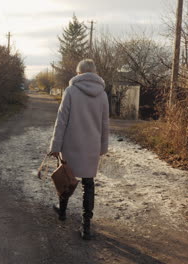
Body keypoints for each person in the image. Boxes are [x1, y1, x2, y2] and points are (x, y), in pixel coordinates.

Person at [49, 59, 109, 240]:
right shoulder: (102, 94)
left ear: (78, 73)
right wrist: (103, 147)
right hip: (91, 146)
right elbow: (105, 123)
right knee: (88, 184)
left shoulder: (71, 91)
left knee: (66, 177)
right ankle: (86, 226)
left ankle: (62, 211)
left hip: (70, 144)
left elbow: (62, 121)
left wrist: (55, 146)